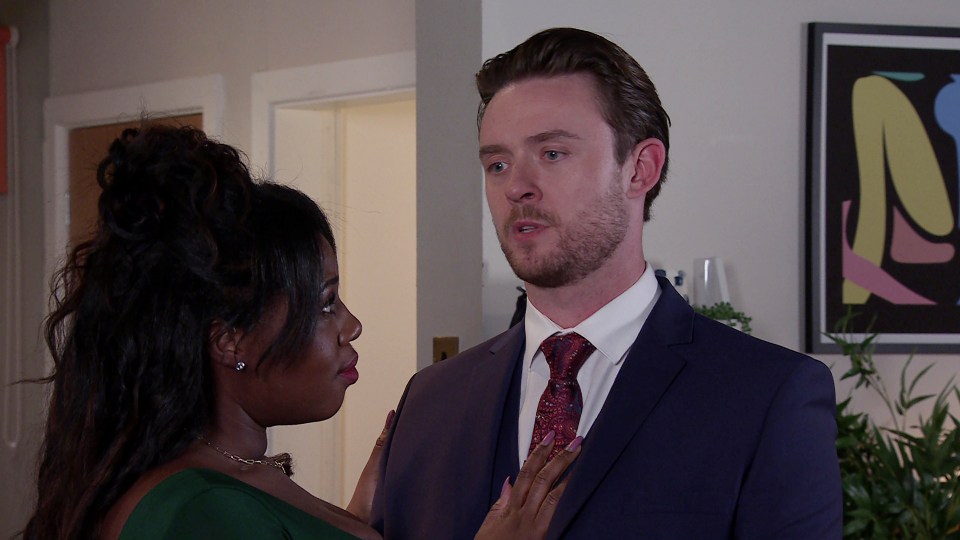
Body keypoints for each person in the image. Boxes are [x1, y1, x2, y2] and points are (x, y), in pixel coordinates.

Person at [372, 27, 842, 539]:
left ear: (641, 169)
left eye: (552, 153)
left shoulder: (766, 398)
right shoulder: (429, 402)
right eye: (498, 163)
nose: (516, 187)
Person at [21, 124, 577, 540]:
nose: (351, 325)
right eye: (325, 304)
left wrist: (350, 523)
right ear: (229, 340)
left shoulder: (237, 477)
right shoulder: (199, 513)